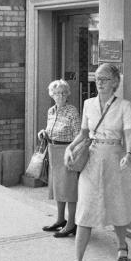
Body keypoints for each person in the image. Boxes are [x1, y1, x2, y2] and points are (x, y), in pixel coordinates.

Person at [64, 63, 131, 261]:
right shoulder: (88, 104)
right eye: (97, 78)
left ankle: (122, 245)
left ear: (115, 82)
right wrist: (70, 147)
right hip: (92, 159)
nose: (100, 82)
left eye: (105, 79)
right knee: (85, 210)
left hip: (115, 159)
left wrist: (129, 153)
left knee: (116, 204)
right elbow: (83, 134)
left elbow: (129, 133)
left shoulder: (124, 106)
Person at [39, 79, 80, 238]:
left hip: (67, 151)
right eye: (57, 93)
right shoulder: (51, 111)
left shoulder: (72, 111)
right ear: (52, 95)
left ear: (67, 94)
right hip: (53, 151)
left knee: (69, 189)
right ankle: (60, 220)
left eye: (63, 93)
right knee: (58, 187)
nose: (60, 96)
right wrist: (44, 133)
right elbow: (51, 129)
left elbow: (78, 134)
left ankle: (71, 224)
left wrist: (73, 153)